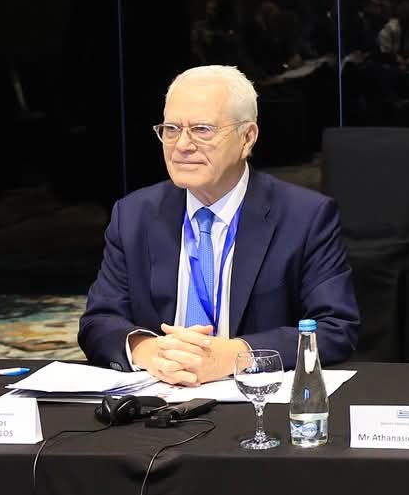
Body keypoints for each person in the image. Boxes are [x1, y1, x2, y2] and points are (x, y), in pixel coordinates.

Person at [79, 65, 359, 384]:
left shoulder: (304, 216)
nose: (182, 145)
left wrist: (238, 355)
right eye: (171, 129)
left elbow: (336, 328)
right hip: (157, 395)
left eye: (202, 129)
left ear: (247, 138)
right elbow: (98, 322)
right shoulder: (133, 215)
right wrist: (148, 350)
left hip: (253, 399)